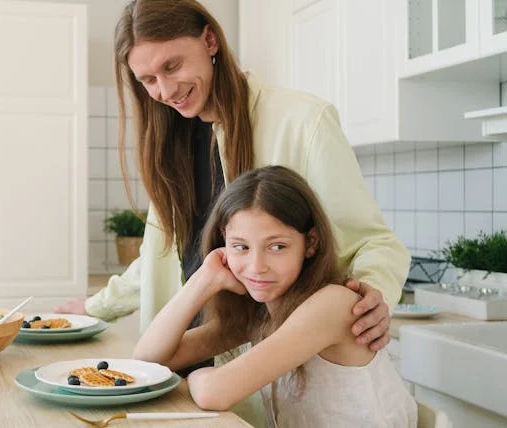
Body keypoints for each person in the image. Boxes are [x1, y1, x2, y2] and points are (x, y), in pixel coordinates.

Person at [57, 0, 408, 354]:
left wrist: (373, 292)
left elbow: (374, 242)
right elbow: (159, 258)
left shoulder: (305, 120)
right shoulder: (170, 145)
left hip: (254, 359)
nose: (165, 90)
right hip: (177, 355)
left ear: (210, 40)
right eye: (148, 80)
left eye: (172, 66)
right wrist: (95, 307)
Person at [133, 166, 417, 426]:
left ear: (311, 243)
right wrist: (203, 280)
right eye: (241, 247)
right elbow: (145, 361)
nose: (257, 266)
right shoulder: (260, 316)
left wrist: (197, 377)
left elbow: (213, 393)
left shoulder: (333, 304)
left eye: (277, 247)